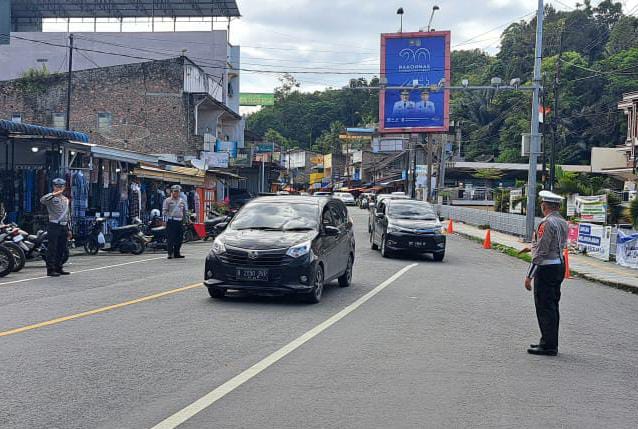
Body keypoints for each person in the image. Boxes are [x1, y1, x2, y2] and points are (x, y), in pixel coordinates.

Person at [519, 190, 569, 356]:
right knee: (552, 306)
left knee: (544, 307)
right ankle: (548, 341)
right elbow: (552, 245)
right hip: (559, 266)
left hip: (546, 268)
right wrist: (531, 247)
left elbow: (541, 251)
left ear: (545, 205)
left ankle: (548, 345)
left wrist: (529, 276)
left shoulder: (546, 223)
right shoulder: (562, 222)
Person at [40, 178, 71, 277]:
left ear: (64, 187)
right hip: (54, 225)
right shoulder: (51, 198)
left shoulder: (66, 199)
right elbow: (42, 200)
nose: (59, 188)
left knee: (62, 248)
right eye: (57, 186)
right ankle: (51, 269)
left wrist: (69, 229)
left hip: (64, 226)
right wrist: (53, 194)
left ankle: (59, 267)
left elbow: (68, 215)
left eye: (61, 186)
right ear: (53, 186)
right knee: (52, 248)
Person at [163, 184, 188, 259]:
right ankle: (170, 253)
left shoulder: (182, 201)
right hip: (171, 221)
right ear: (172, 192)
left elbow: (184, 211)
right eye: (175, 191)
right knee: (171, 238)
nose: (176, 193)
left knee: (179, 238)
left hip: (179, 221)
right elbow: (164, 211)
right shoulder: (167, 200)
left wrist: (185, 220)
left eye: (178, 191)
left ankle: (177, 253)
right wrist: (164, 221)